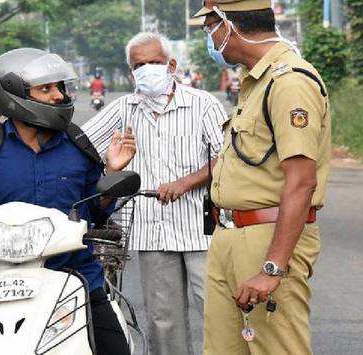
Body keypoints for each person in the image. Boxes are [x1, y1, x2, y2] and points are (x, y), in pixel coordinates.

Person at [0, 48, 136, 355]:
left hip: (76, 279)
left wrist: (112, 176)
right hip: (1, 283)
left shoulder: (77, 144)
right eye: (46, 88)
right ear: (12, 95)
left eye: (60, 87)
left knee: (115, 349)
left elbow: (95, 211)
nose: (58, 96)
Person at [195, 1, 331, 354]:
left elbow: (302, 182)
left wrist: (273, 268)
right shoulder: (256, 81)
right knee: (222, 349)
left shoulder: (290, 83)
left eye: (209, 27)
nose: (209, 37)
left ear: (229, 26)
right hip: (231, 236)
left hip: (268, 239)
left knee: (277, 349)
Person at [81, 32, 228, 355]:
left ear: (171, 65)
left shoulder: (203, 104)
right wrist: (108, 166)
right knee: (163, 319)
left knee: (215, 311)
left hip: (202, 228)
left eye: (155, 62)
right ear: (131, 71)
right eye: (140, 65)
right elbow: (80, 145)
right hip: (150, 228)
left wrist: (186, 182)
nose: (147, 69)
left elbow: (227, 157)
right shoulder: (124, 108)